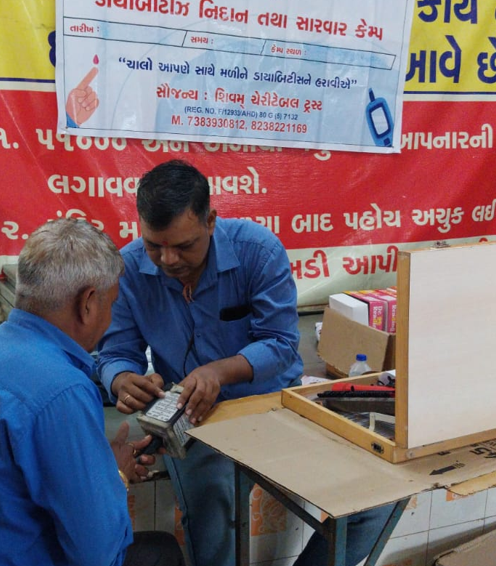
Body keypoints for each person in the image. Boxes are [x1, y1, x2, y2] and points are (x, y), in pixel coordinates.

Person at [97, 159, 394, 566]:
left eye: (183, 246)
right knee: (212, 523)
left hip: (273, 405)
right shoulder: (129, 268)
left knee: (375, 503)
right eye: (154, 245)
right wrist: (121, 379)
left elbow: (282, 343)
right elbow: (116, 353)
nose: (167, 259)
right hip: (193, 417)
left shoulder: (258, 250)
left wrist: (219, 372)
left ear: (211, 221)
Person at [0, 218, 184, 566]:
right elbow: (98, 555)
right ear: (88, 303)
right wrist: (114, 478)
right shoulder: (62, 391)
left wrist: (93, 466)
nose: (110, 318)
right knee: (162, 554)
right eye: (112, 304)